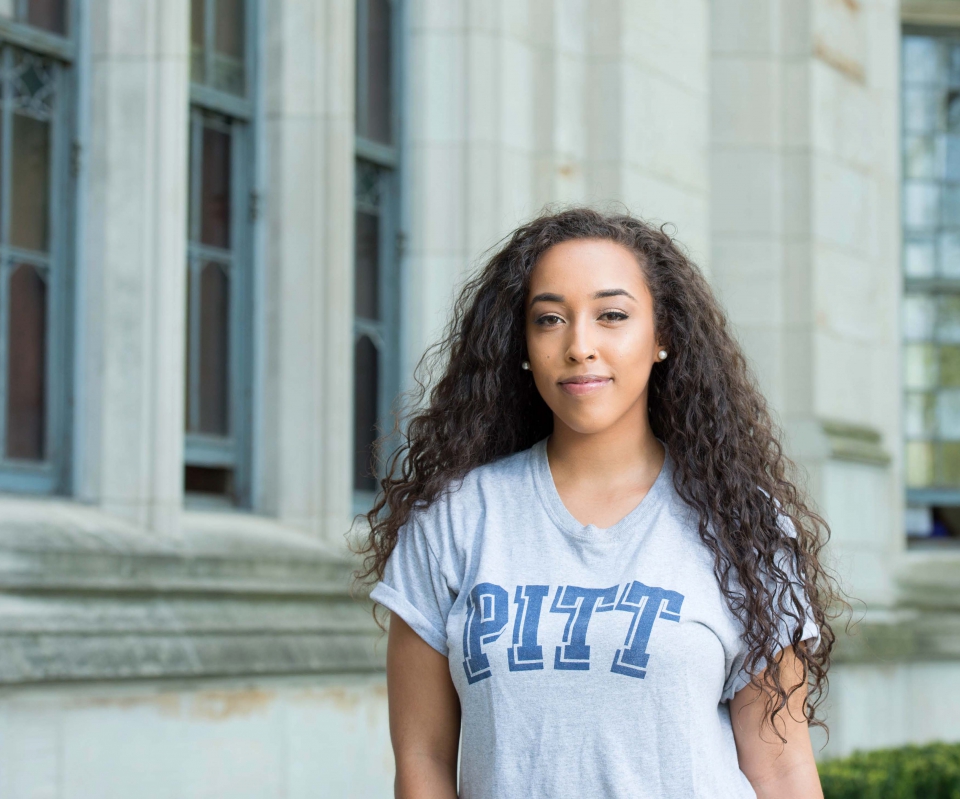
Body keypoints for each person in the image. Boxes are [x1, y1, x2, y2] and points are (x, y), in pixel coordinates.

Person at [355, 208, 839, 798]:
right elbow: (423, 764)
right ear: (524, 346)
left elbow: (783, 772)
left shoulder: (742, 525)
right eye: (550, 318)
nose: (580, 345)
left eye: (612, 315)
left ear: (663, 337)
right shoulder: (455, 520)